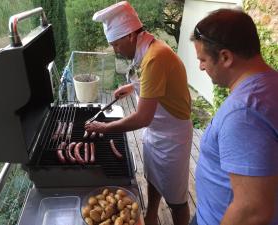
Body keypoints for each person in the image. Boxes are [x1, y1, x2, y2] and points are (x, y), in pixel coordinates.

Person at [85, 1, 193, 225]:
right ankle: (151, 216)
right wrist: (133, 87)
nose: (115, 49)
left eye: (116, 44)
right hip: (157, 131)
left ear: (131, 36)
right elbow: (156, 83)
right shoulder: (150, 47)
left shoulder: (155, 57)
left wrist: (104, 128)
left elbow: (143, 117)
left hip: (172, 137)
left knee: (176, 200)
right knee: (152, 178)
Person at [190, 8, 278, 225]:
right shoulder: (270, 82)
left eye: (203, 59)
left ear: (226, 57)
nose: (201, 67)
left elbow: (252, 211)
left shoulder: (244, 112)